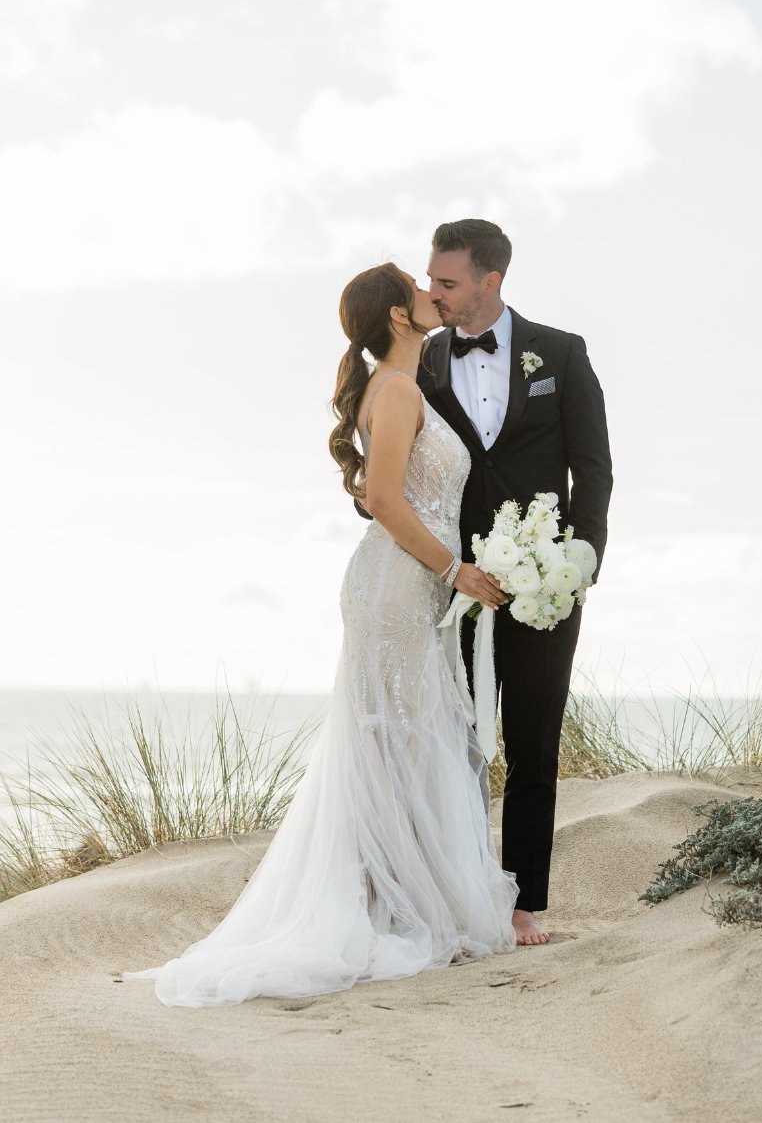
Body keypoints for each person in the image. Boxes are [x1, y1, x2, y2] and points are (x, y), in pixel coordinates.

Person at [123, 263, 517, 1007]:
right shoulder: (396, 391)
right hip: (398, 584)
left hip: (406, 585)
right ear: (400, 317)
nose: (435, 293)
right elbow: (384, 500)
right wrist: (456, 569)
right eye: (420, 287)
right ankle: (393, 909)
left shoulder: (403, 385)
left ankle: (397, 899)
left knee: (406, 737)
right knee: (397, 738)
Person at [407, 219, 613, 946]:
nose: (434, 292)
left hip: (543, 579)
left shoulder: (560, 352)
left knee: (534, 735)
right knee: (456, 737)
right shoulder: (423, 360)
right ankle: (465, 892)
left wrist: (581, 557)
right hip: (454, 580)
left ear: (491, 282)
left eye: (448, 282)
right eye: (432, 279)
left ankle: (523, 902)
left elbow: (592, 465)